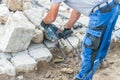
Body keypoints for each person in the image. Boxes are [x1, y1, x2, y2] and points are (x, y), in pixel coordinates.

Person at [40, 0, 120, 80]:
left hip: (101, 12)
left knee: (90, 48)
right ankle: (99, 62)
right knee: (105, 37)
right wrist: (67, 27)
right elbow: (77, 10)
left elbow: (51, 17)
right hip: (114, 5)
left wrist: (44, 23)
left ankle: (83, 77)